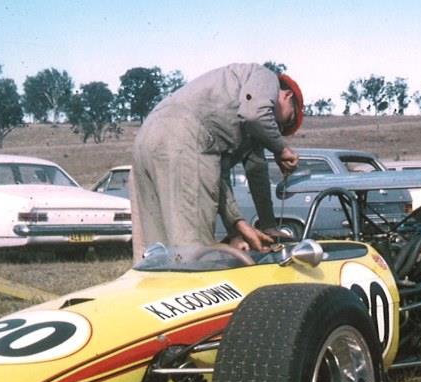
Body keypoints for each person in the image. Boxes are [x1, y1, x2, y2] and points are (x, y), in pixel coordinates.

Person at [130, 63, 304, 257]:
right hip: (183, 138)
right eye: (287, 121)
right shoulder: (266, 77)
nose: (279, 128)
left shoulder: (231, 110)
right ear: (287, 95)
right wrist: (281, 149)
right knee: (191, 252)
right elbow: (256, 115)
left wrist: (256, 224)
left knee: (155, 253)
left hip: (147, 136)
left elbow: (255, 169)